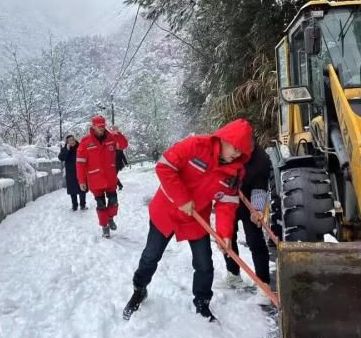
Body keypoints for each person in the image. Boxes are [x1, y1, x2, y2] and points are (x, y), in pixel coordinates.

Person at [123, 119, 253, 322]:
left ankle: (202, 303)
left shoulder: (234, 172)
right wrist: (181, 198)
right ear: (224, 138)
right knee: (151, 256)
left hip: (196, 218)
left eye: (241, 152)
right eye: (234, 148)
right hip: (166, 210)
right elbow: (164, 167)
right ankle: (139, 289)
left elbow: (226, 203)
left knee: (204, 265)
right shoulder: (195, 145)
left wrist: (225, 234)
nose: (236, 154)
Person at [223, 143, 272, 305]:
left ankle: (264, 284)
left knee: (255, 241)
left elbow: (260, 186)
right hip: (228, 201)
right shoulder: (228, 150)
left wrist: (257, 210)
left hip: (249, 202)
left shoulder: (261, 159)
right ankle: (233, 275)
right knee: (227, 237)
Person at [76, 115, 128, 238]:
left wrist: (118, 134)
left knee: (113, 202)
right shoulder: (85, 142)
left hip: (110, 177)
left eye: (103, 126)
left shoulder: (112, 138)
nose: (101, 129)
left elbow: (123, 145)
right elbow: (80, 163)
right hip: (95, 179)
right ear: (93, 126)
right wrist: (81, 180)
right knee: (101, 205)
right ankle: (105, 226)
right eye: (99, 127)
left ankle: (110, 218)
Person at [58, 135, 87, 211]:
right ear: (67, 142)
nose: (72, 141)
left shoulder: (80, 147)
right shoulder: (65, 149)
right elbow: (61, 158)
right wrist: (67, 150)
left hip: (80, 171)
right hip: (70, 172)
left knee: (82, 188)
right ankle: (74, 206)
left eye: (72, 139)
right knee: (72, 190)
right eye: (69, 140)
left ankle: (83, 205)